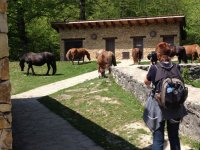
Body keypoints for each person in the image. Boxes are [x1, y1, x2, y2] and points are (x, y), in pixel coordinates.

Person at [144, 42, 188, 150]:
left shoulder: (154, 68)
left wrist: (151, 65)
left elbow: (146, 82)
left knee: (158, 140)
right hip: (176, 106)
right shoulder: (177, 66)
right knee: (174, 137)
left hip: (160, 108)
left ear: (158, 55)